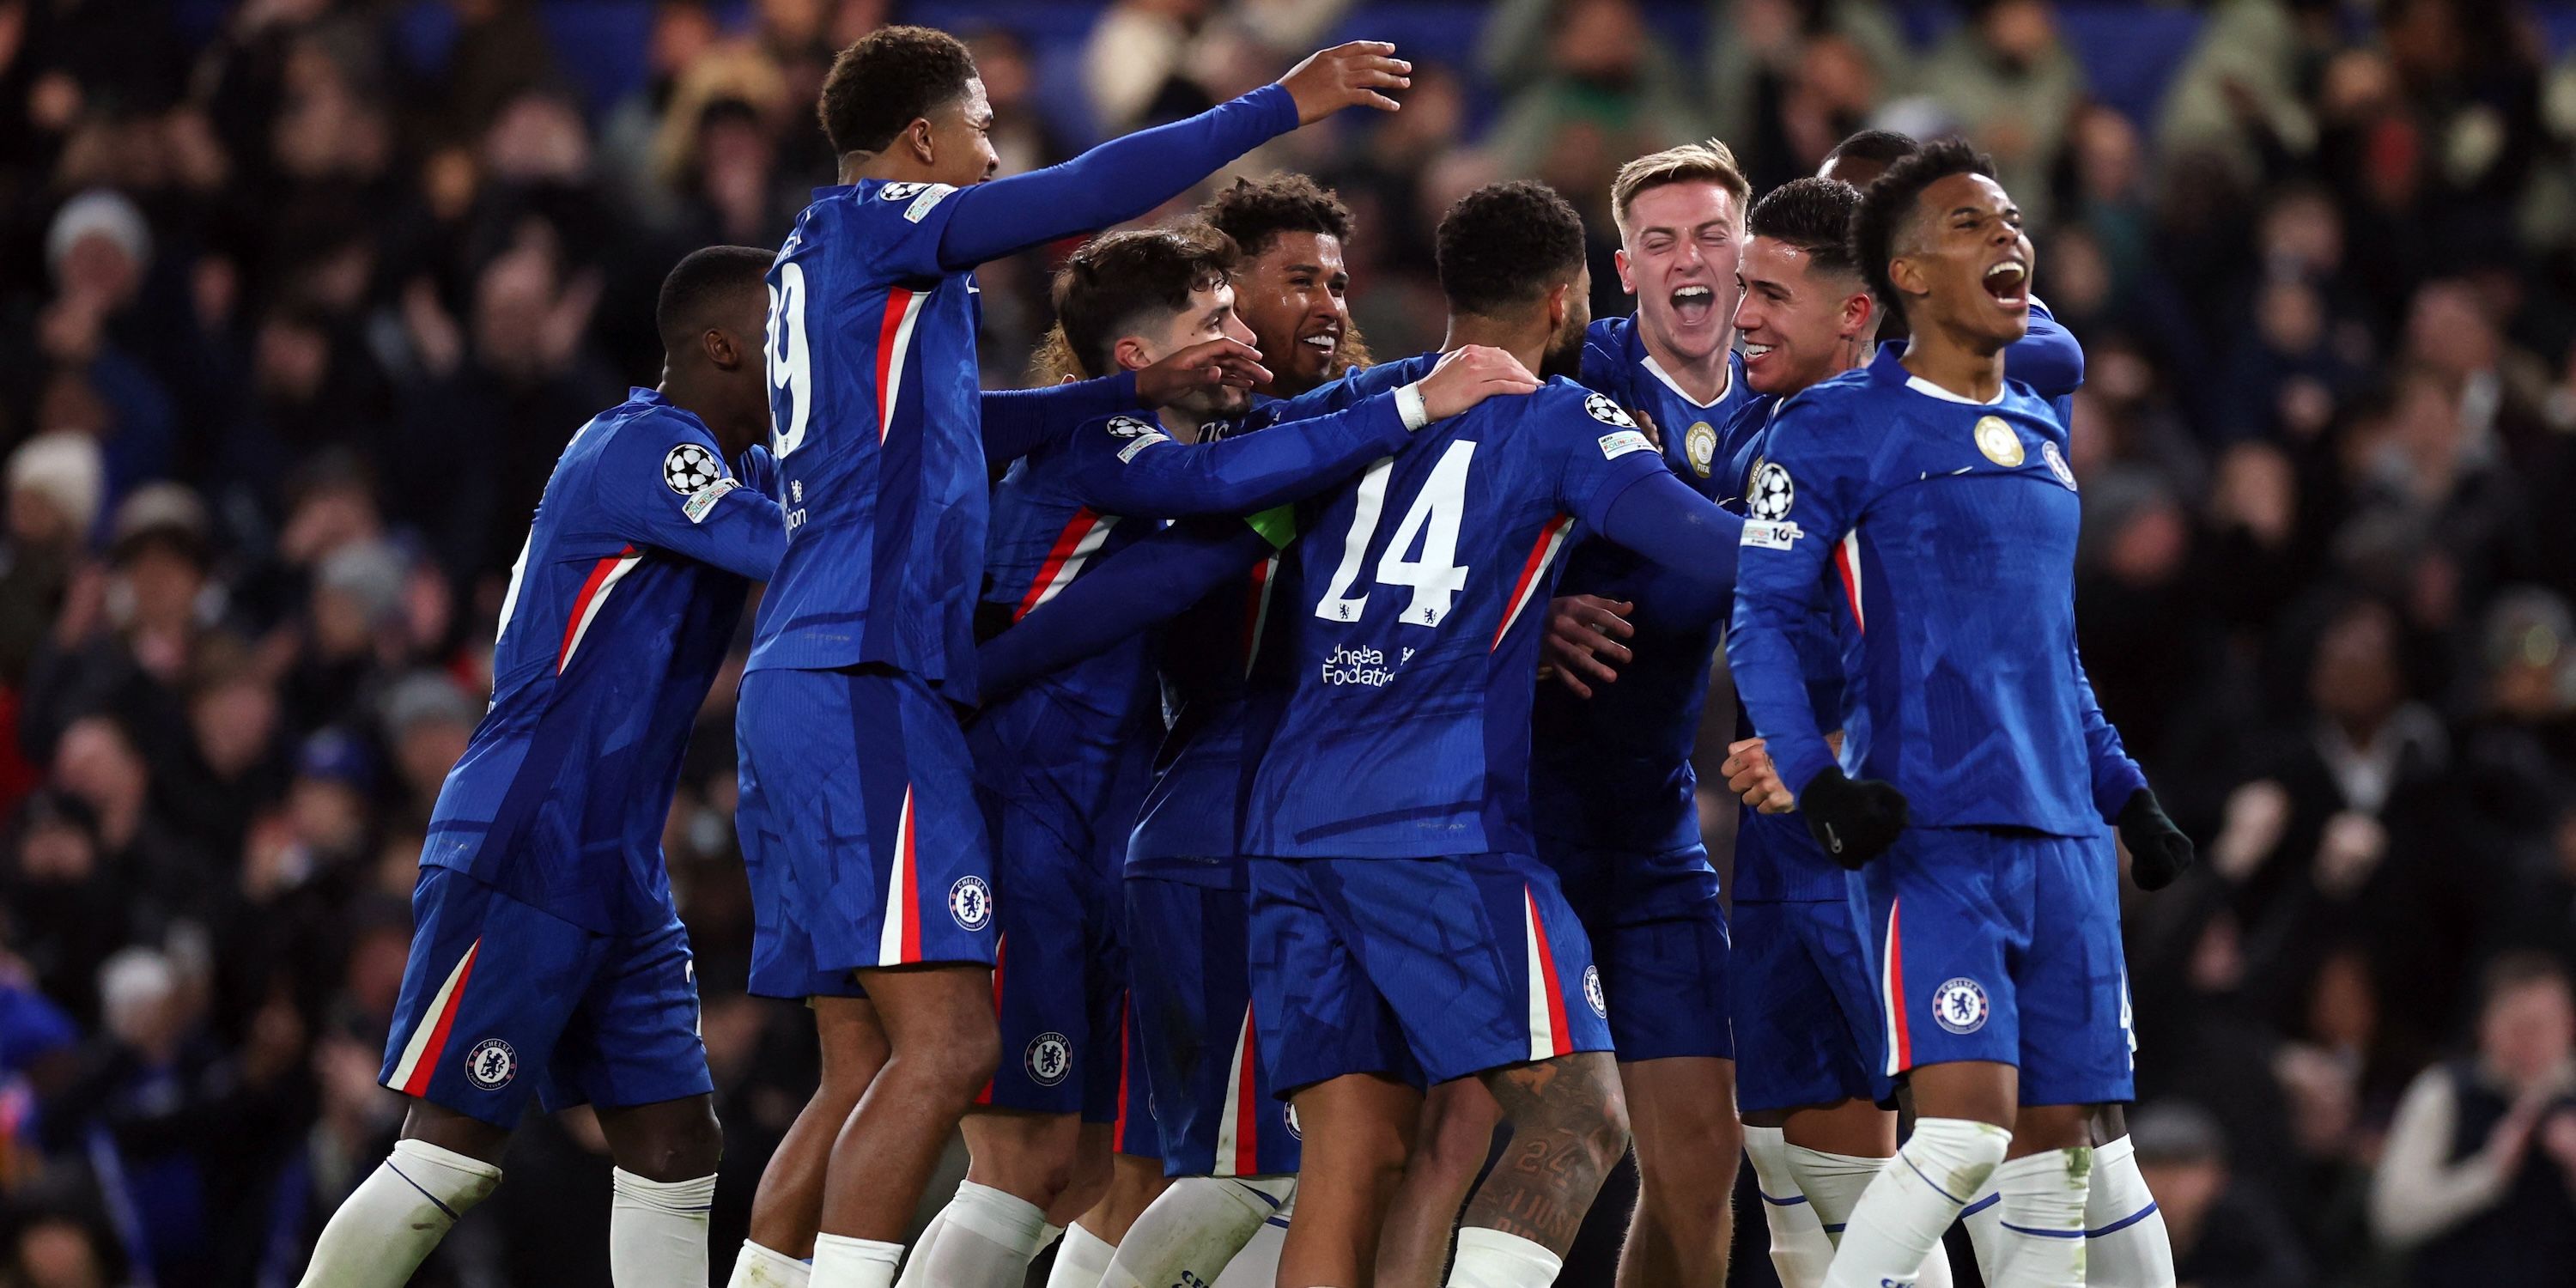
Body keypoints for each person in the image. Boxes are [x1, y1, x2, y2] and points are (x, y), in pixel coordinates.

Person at [726, 26, 1412, 1288]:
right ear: (925, 142)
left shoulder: (840, 274)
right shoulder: (880, 221)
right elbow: (1089, 196)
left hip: (836, 675)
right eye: (984, 130)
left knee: (887, 1076)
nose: (997, 158)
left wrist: (1109, 396)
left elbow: (966, 423)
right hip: (872, 677)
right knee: (949, 1057)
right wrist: (1278, 103)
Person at [908, 225, 1528, 1288]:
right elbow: (1217, 510)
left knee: (1101, 1163)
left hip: (1108, 826)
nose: (1245, 336)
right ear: (1138, 356)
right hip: (1037, 820)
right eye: (1227, 314)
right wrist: (1418, 401)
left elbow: (1227, 499)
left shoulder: (1190, 458)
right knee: (1042, 1161)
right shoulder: (1114, 441)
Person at [1235, 180, 1747, 1288]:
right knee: (1578, 1121)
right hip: (1435, 824)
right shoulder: (1564, 418)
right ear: (1564, 302)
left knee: (1351, 1157)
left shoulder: (1368, 402)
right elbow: (1715, 552)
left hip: (1286, 823)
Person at [1723, 138, 2190, 1288]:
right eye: (1974, 225)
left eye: (2012, 220)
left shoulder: (2040, 427)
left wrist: (2126, 794)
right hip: (1933, 831)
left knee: (2065, 1165)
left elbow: (2051, 650)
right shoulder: (1830, 430)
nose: (2011, 237)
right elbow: (1762, 624)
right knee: (1966, 1133)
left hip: (2066, 839)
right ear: (1909, 279)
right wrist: (1817, 774)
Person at [292, 246, 789, 1288]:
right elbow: (795, 543)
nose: (804, 359)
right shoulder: (648, 447)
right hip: (530, 835)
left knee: (675, 1144)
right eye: (783, 329)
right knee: (451, 1153)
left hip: (615, 861)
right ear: (722, 346)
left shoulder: (723, 463)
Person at [2370, 951, 2576, 1287]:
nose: (2528, 1042)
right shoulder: (2444, 1092)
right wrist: (2488, 1175)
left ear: (2569, 1026)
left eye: (2540, 1026)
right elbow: (2391, 1219)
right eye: (2515, 1027)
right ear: (2486, 1024)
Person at [1199, 174, 1373, 398]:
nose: (1331, 309)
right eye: (1302, 282)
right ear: (1228, 296)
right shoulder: (1170, 419)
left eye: (1337, 287)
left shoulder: (1360, 411)